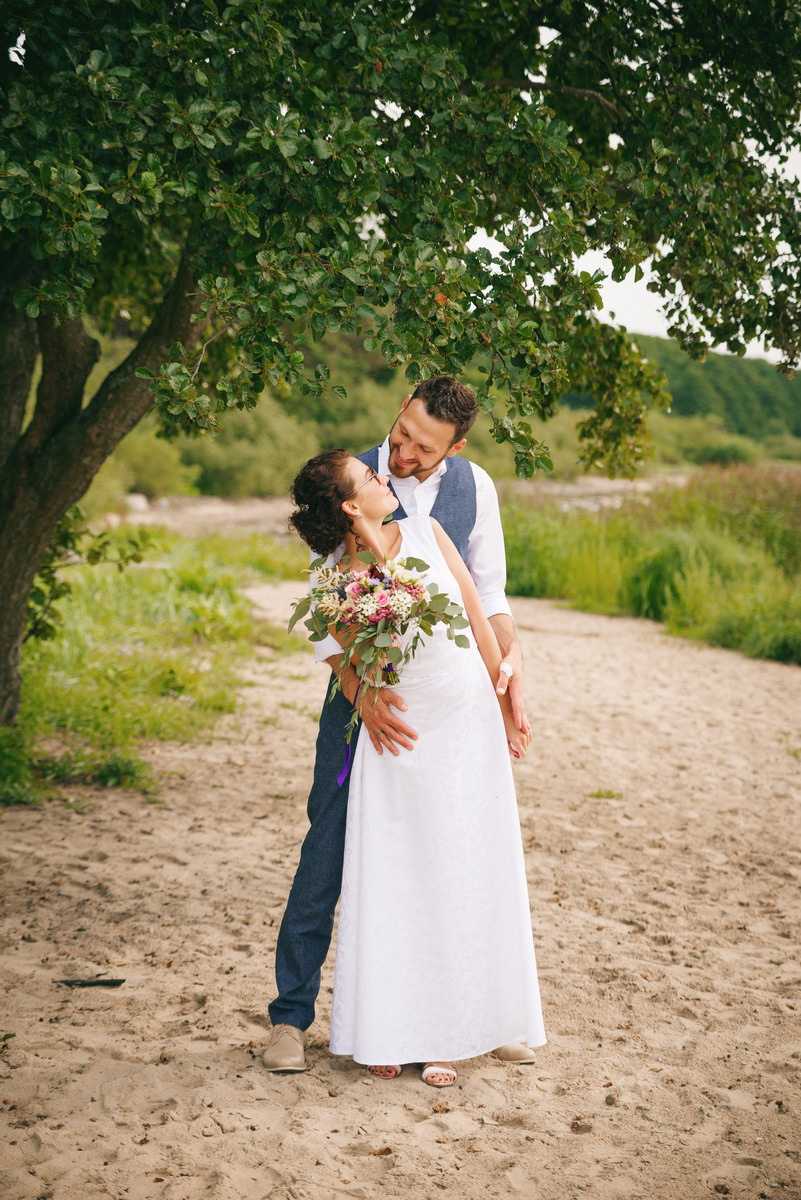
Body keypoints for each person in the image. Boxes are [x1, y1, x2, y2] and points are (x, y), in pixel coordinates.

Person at [265, 376, 537, 1073]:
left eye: (423, 447)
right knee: (328, 849)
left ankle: (480, 1011)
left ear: (455, 447)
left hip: (453, 710)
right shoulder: (342, 480)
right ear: (399, 409)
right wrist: (361, 696)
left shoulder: (473, 490)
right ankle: (290, 1018)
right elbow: (327, 616)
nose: (403, 452)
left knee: (460, 851)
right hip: (365, 703)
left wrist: (510, 672)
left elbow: (488, 590)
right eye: (402, 432)